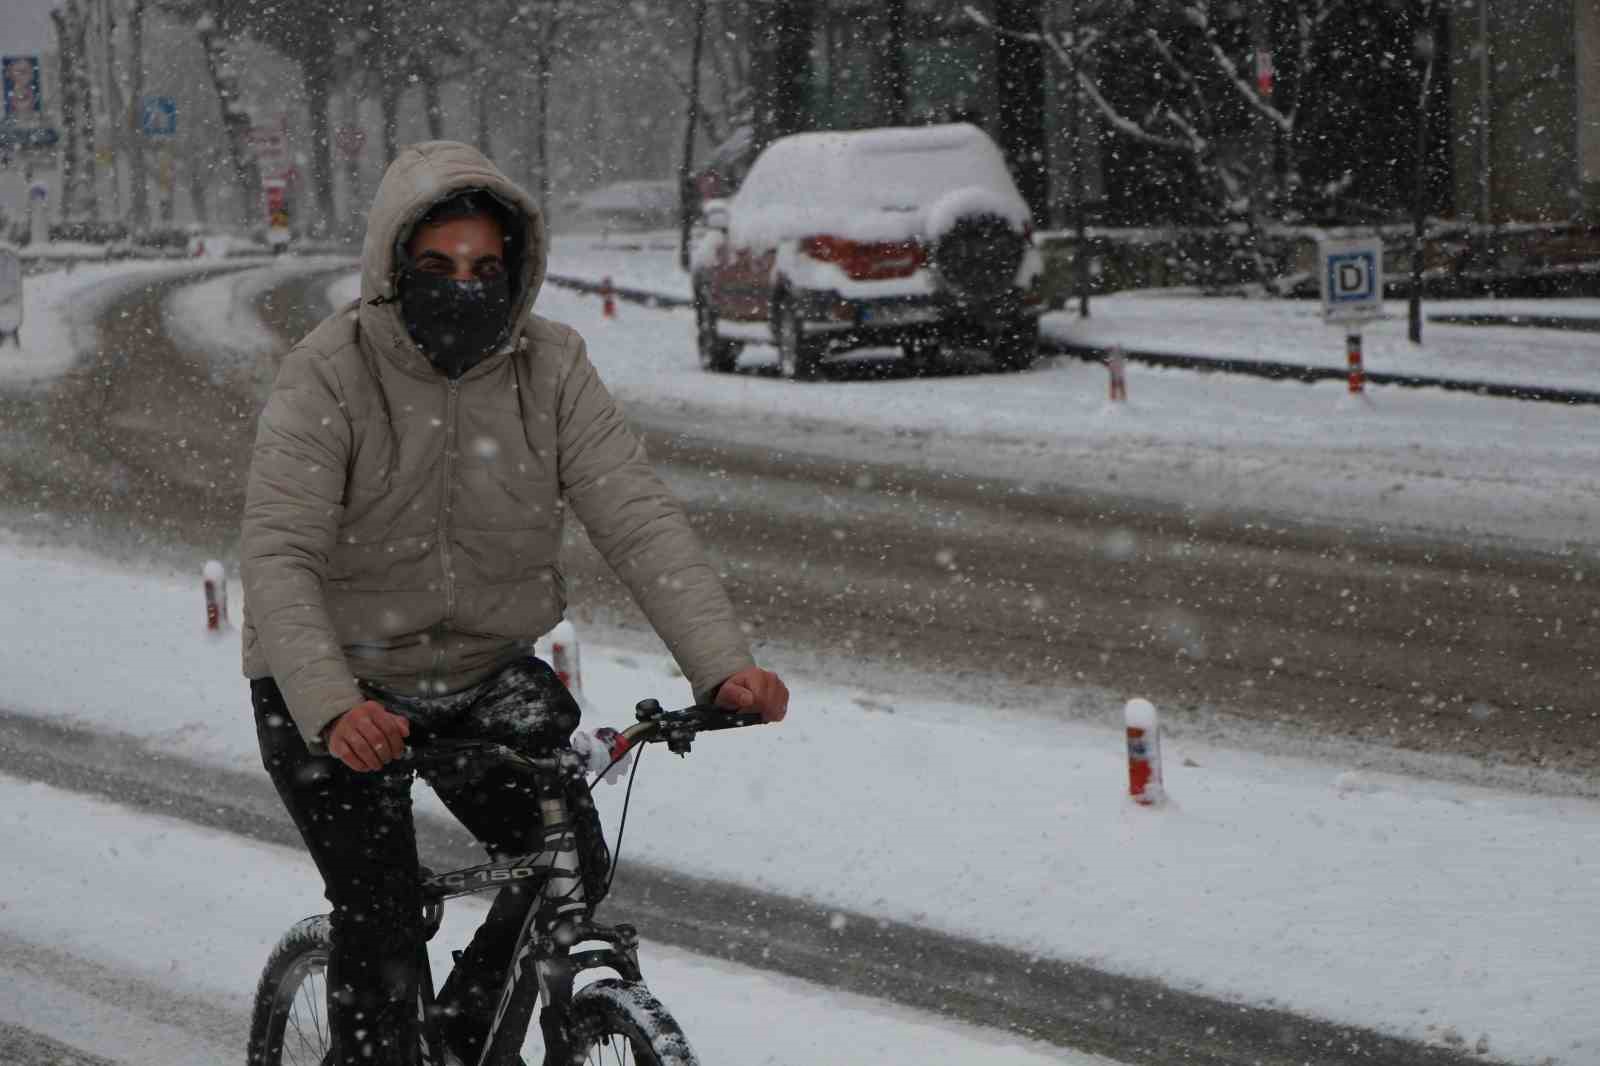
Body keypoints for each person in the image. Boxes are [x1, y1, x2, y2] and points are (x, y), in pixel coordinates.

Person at [240, 141, 788, 1066]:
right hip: (335, 683)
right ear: (393, 269)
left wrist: (722, 664)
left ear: (518, 270)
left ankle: (461, 1033)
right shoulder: (330, 372)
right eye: (438, 267)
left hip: (481, 670)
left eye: (487, 269)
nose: (464, 287)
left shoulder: (552, 367)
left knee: (569, 856)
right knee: (378, 917)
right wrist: (333, 706)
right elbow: (279, 554)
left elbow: (639, 520)